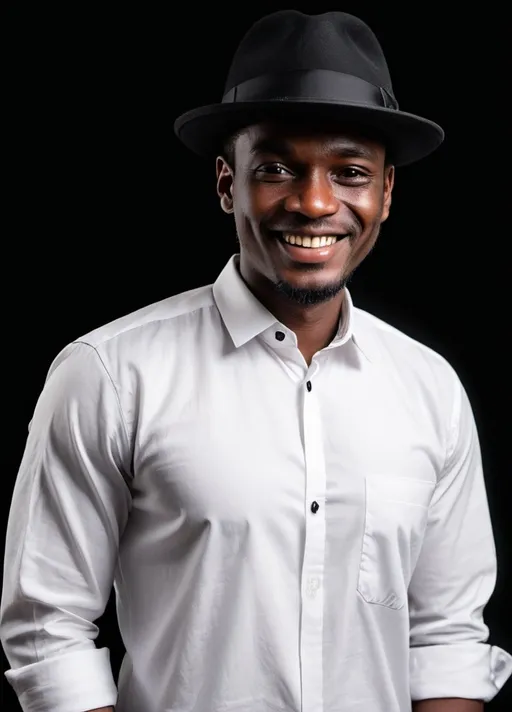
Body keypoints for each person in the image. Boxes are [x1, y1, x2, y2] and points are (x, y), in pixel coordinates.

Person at [1, 9, 511, 712]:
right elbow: (47, 629)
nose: (313, 202)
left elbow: (447, 639)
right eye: (275, 168)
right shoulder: (110, 376)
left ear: (385, 194)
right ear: (224, 183)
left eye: (350, 171)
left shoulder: (430, 390)